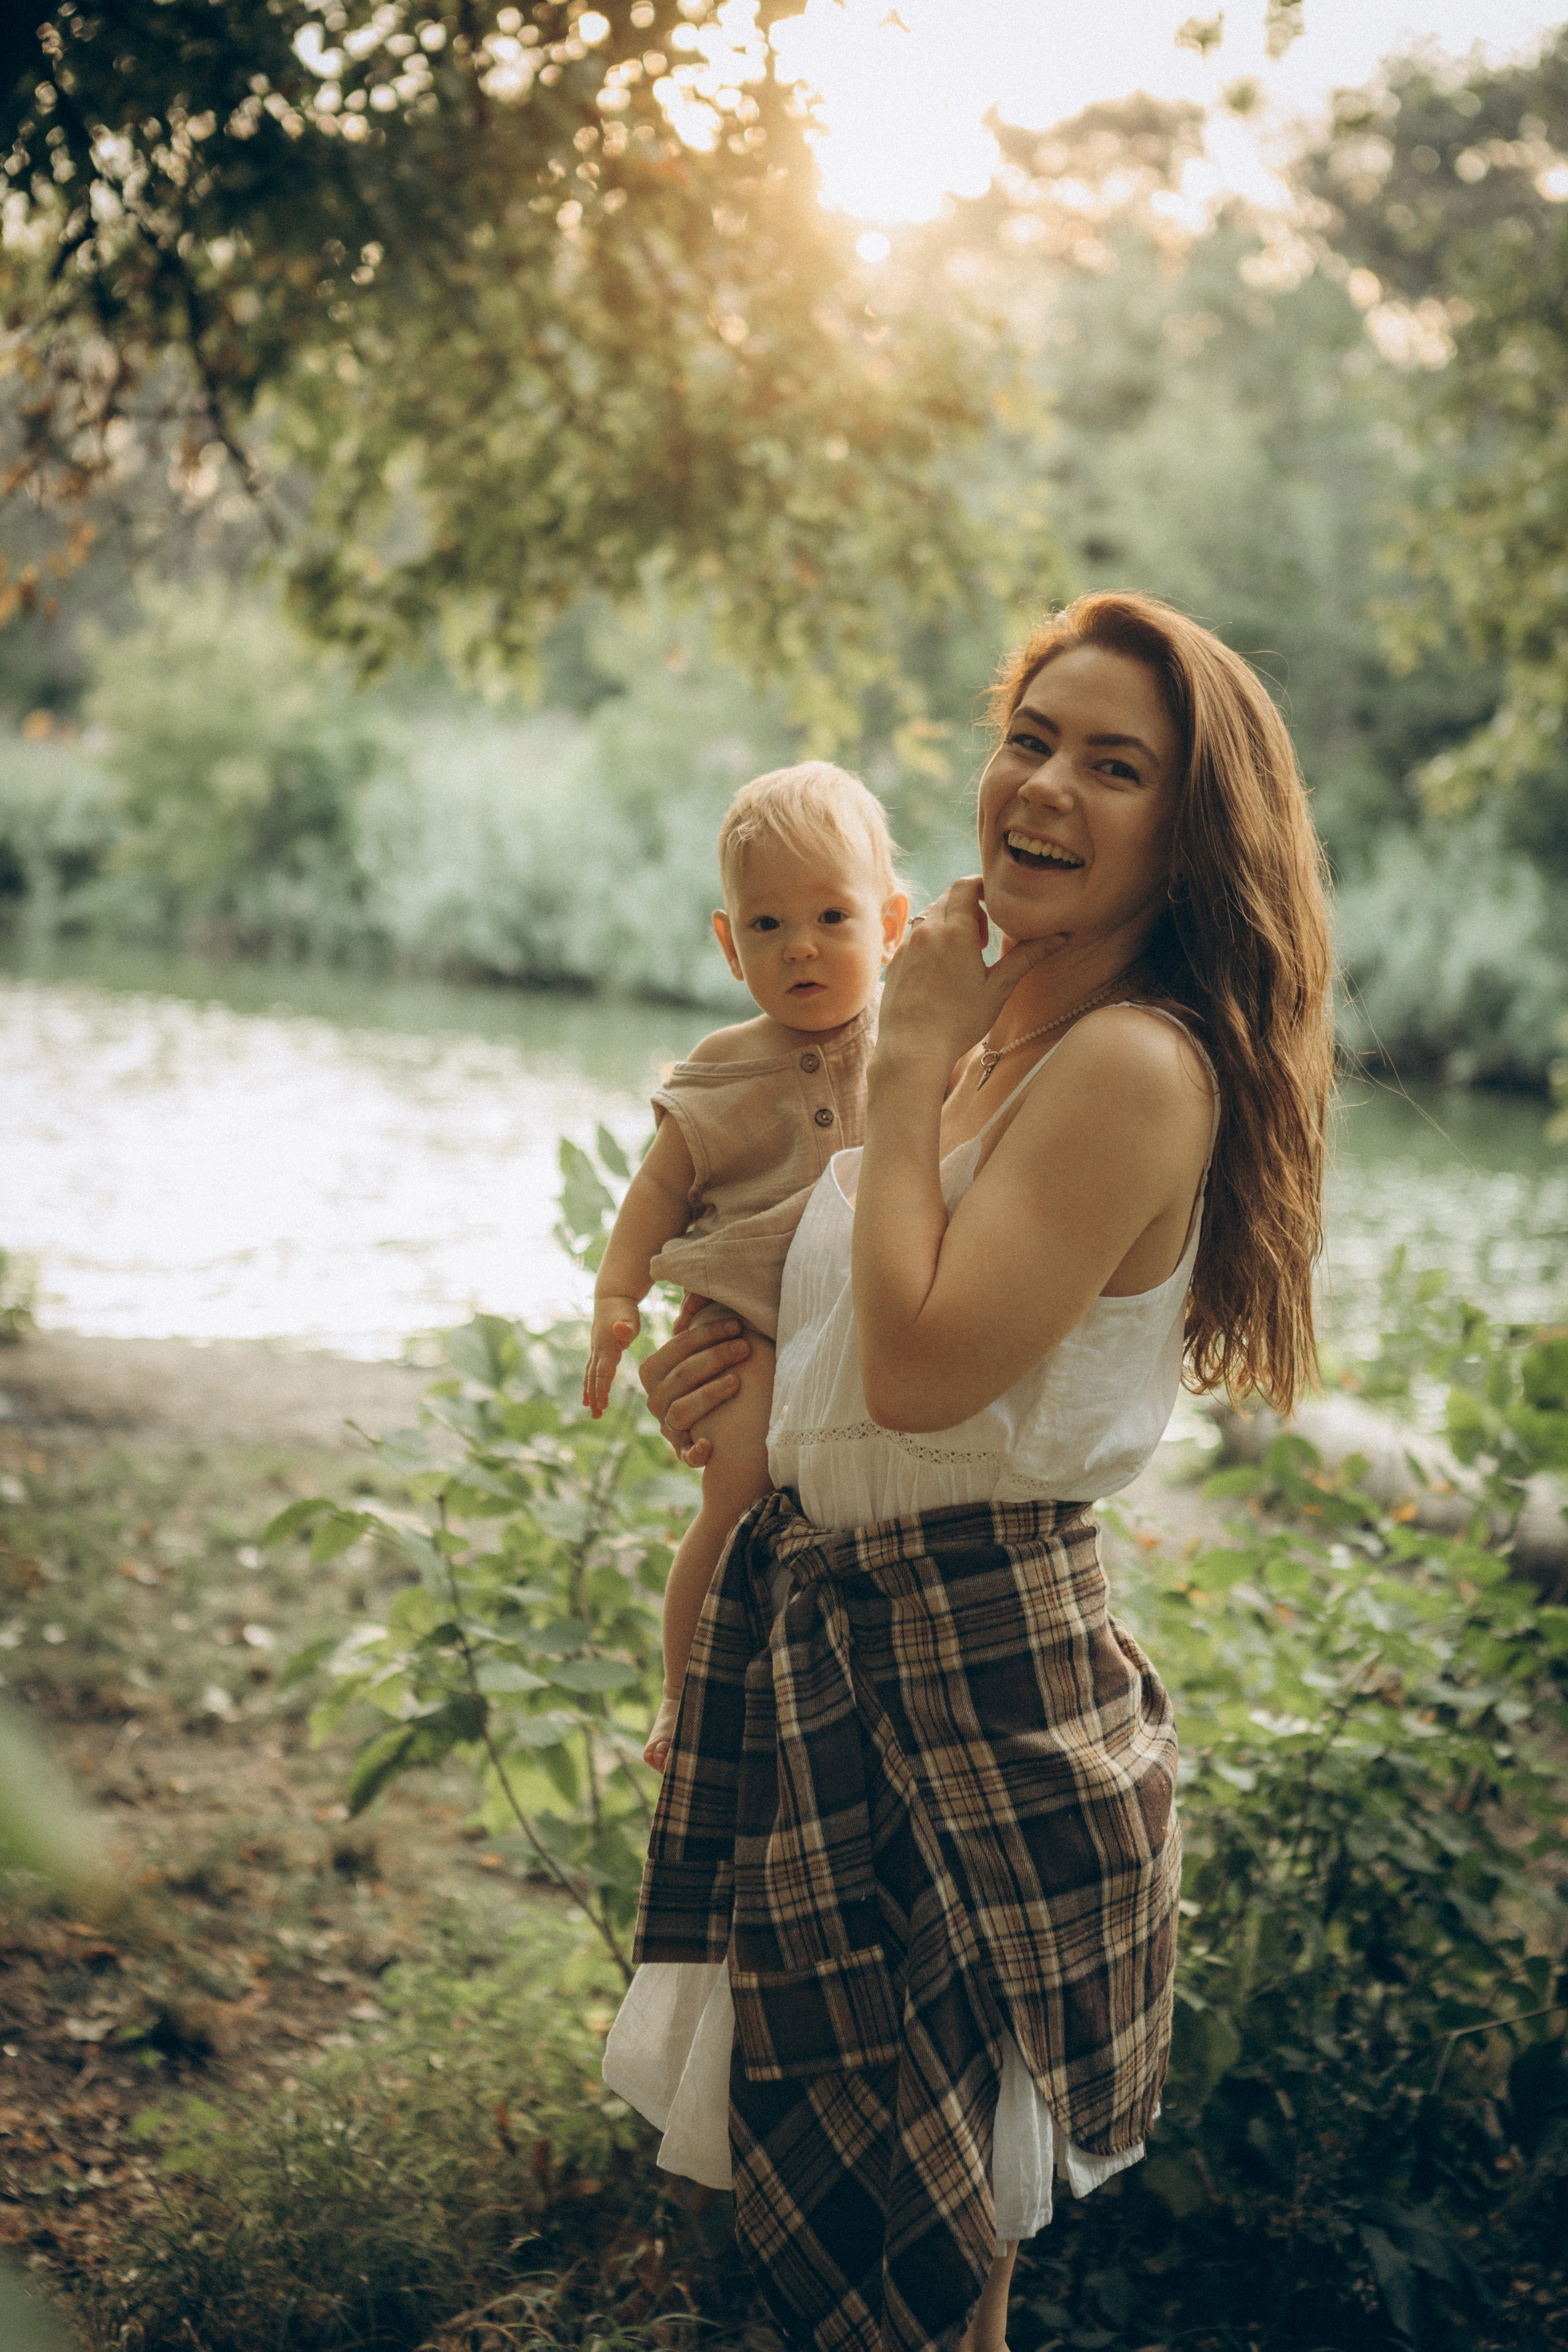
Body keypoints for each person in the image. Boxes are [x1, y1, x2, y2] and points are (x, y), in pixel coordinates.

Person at [603, 592, 1333, 2352]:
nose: (1049, 787)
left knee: (910, 2279)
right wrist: (740, 1389)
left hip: (973, 1675)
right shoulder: (993, 1032)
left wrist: (913, 1050)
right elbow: (869, 1344)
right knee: (836, 2256)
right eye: (1031, 738)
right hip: (836, 1645)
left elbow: (931, 1377)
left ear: (1190, 827)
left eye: (1117, 763)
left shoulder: (1130, 1067)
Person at [583, 761, 908, 1769]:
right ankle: (682, 1700)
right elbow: (656, 1191)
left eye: (832, 918)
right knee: (734, 1503)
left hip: (873, 1324)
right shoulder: (723, 1067)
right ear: (729, 944)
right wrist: (615, 1295)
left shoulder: (917, 1045)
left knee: (840, 1498)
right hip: (747, 1328)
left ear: (892, 925)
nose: (801, 946)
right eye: (766, 926)